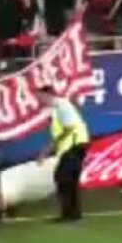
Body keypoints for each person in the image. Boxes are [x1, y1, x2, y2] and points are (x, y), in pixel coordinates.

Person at [36, 86, 90, 223]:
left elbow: (68, 128)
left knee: (63, 177)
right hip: (74, 145)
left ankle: (69, 214)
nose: (39, 100)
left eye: (41, 96)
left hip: (74, 144)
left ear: (48, 95)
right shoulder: (58, 108)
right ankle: (73, 214)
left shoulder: (62, 106)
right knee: (69, 180)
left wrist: (48, 149)